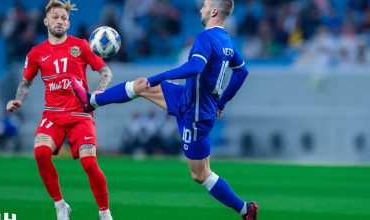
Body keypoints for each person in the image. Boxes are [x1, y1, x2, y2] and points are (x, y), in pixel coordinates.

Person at [72, 0, 258, 219]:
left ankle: (246, 209)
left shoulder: (205, 38)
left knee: (200, 174)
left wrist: (162, 76)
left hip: (196, 115)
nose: (201, 9)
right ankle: (91, 101)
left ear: (214, 11)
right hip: (187, 98)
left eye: (205, 5)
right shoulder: (226, 40)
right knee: (142, 85)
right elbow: (242, 71)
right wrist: (222, 102)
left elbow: (196, 67)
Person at [6, 1, 113, 219]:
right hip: (53, 114)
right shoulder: (37, 52)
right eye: (55, 17)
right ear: (46, 21)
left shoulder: (81, 45)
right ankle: (60, 204)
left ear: (68, 23)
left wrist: (99, 92)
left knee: (89, 163)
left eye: (63, 18)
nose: (59, 21)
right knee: (40, 152)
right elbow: (26, 83)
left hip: (80, 114)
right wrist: (18, 100)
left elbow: (106, 72)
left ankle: (104, 211)